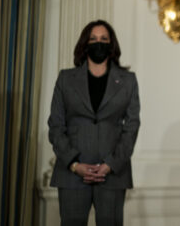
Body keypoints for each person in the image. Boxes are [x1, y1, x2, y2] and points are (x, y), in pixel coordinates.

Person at [48, 20, 141, 226]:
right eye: (93, 39)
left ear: (112, 45)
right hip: (72, 174)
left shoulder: (128, 81)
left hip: (113, 174)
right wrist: (74, 164)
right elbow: (56, 126)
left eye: (104, 39)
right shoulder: (65, 79)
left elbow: (131, 127)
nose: (99, 43)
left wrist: (111, 164)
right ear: (85, 44)